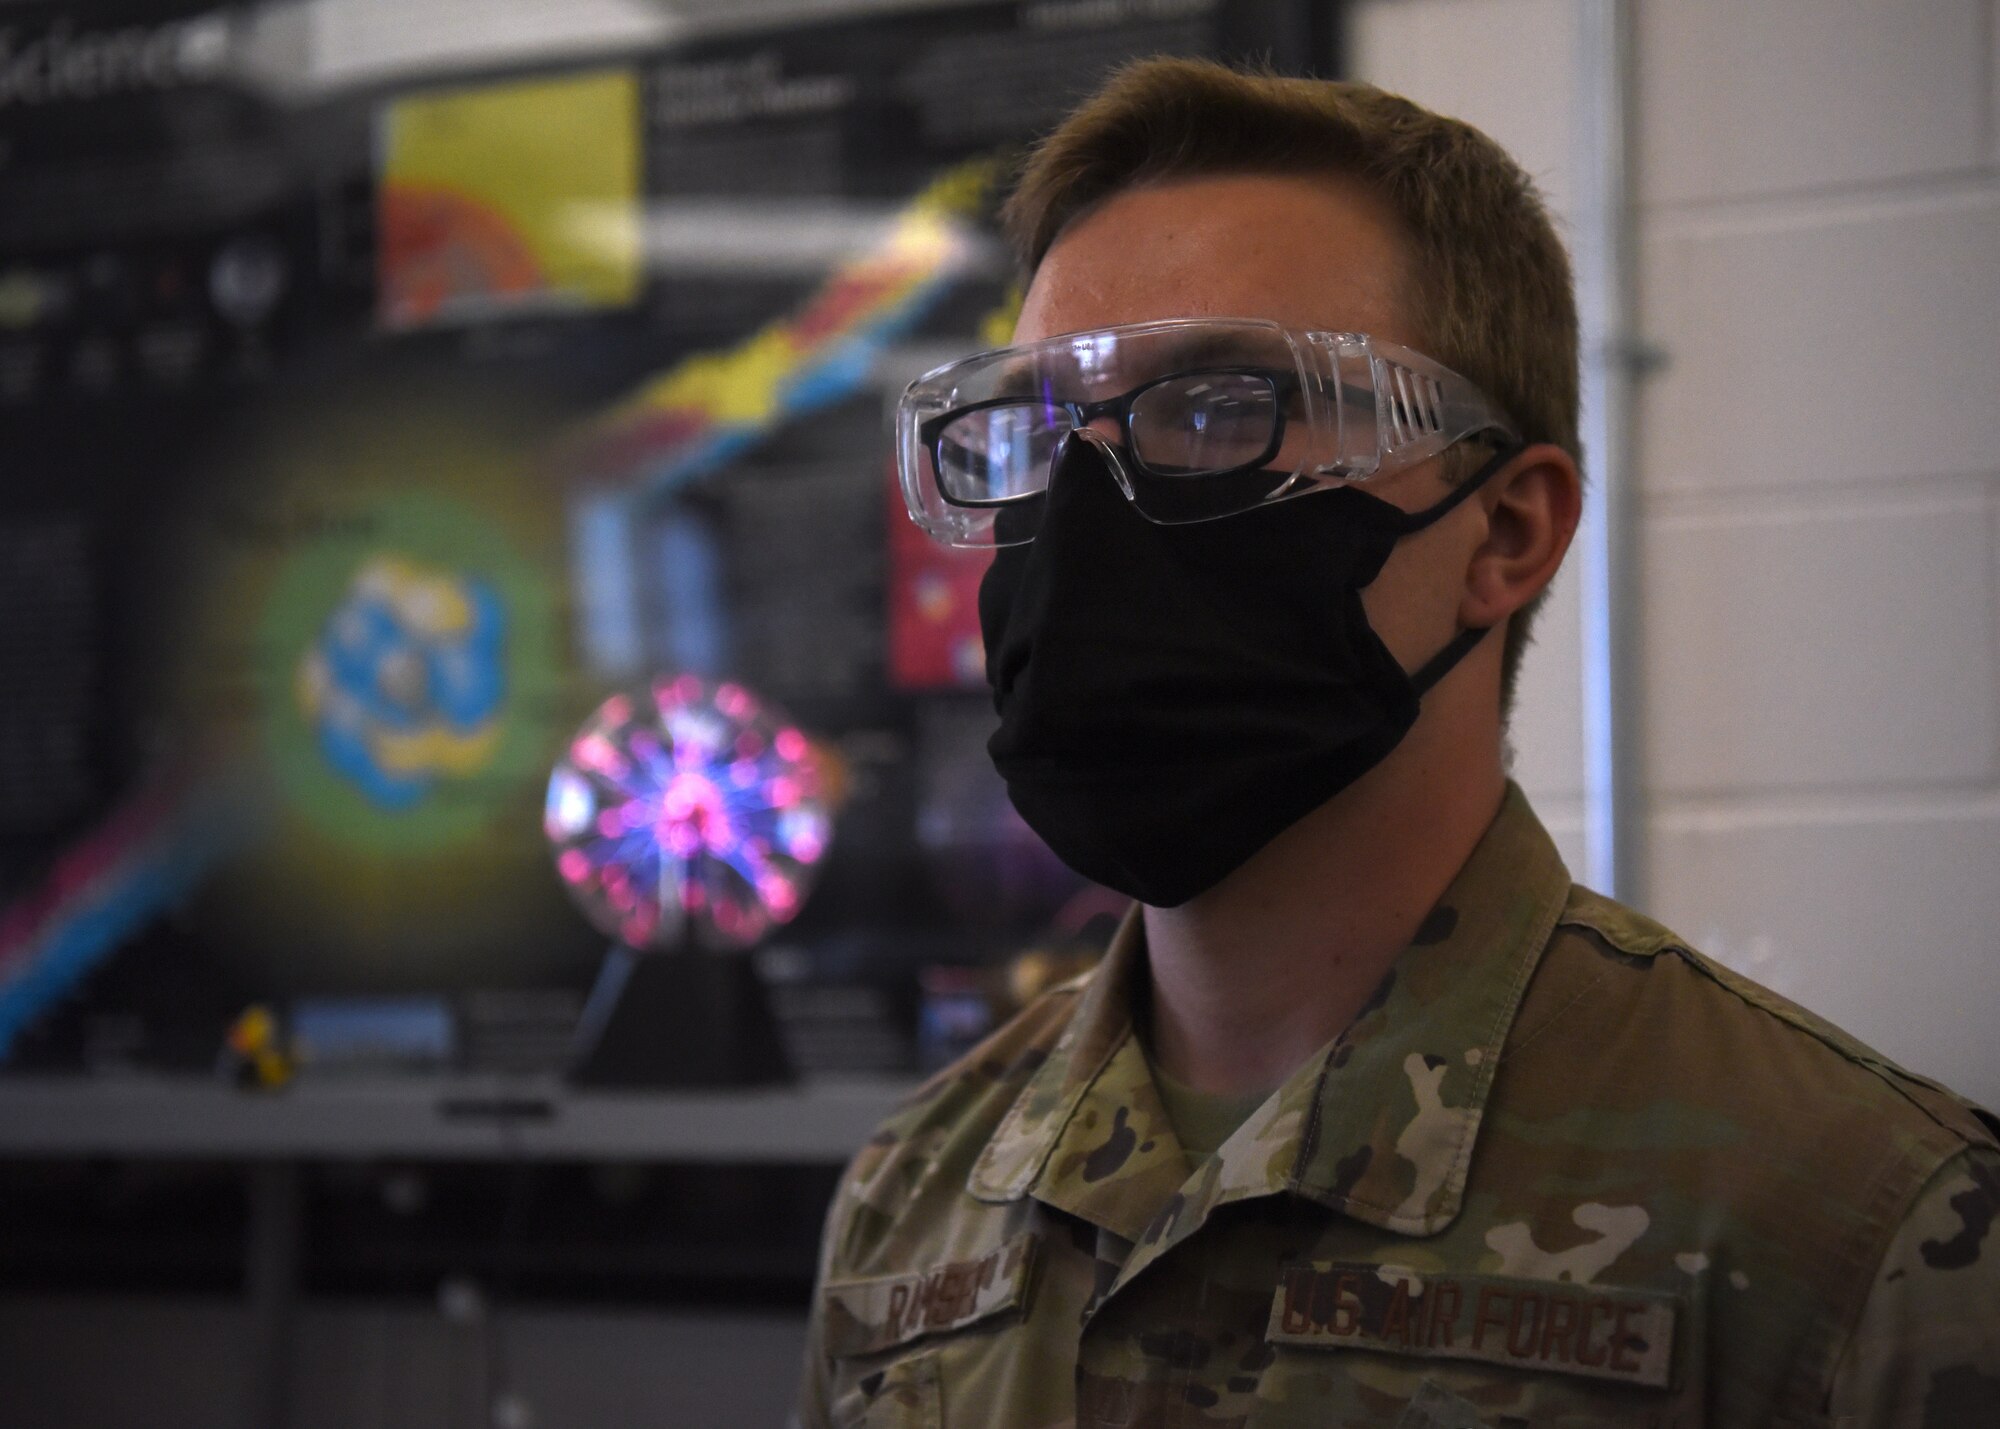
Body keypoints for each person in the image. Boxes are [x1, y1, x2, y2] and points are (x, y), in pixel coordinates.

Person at [798, 58, 2000, 1428]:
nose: (1084, 519)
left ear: (1504, 531)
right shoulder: (911, 1202)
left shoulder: (1854, 1231)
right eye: (1038, 432)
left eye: (1215, 412)